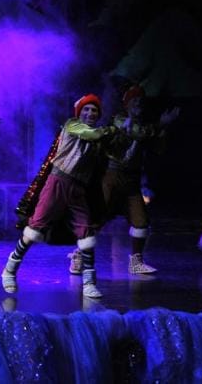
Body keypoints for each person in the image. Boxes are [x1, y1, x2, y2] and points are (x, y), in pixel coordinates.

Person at [3, 94, 112, 299]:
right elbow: (91, 134)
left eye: (94, 110)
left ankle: (89, 283)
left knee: (86, 233)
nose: (90, 113)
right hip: (58, 182)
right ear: (79, 112)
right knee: (35, 227)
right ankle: (9, 270)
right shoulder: (72, 125)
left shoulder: (98, 139)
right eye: (86, 109)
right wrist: (112, 129)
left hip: (78, 189)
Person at [69, 85, 179, 275]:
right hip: (111, 177)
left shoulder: (145, 125)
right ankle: (79, 255)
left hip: (131, 181)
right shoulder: (119, 120)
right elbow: (138, 132)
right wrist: (160, 125)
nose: (138, 104)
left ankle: (136, 262)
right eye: (134, 101)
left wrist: (163, 130)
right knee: (96, 220)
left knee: (141, 222)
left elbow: (158, 148)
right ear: (127, 104)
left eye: (141, 102)